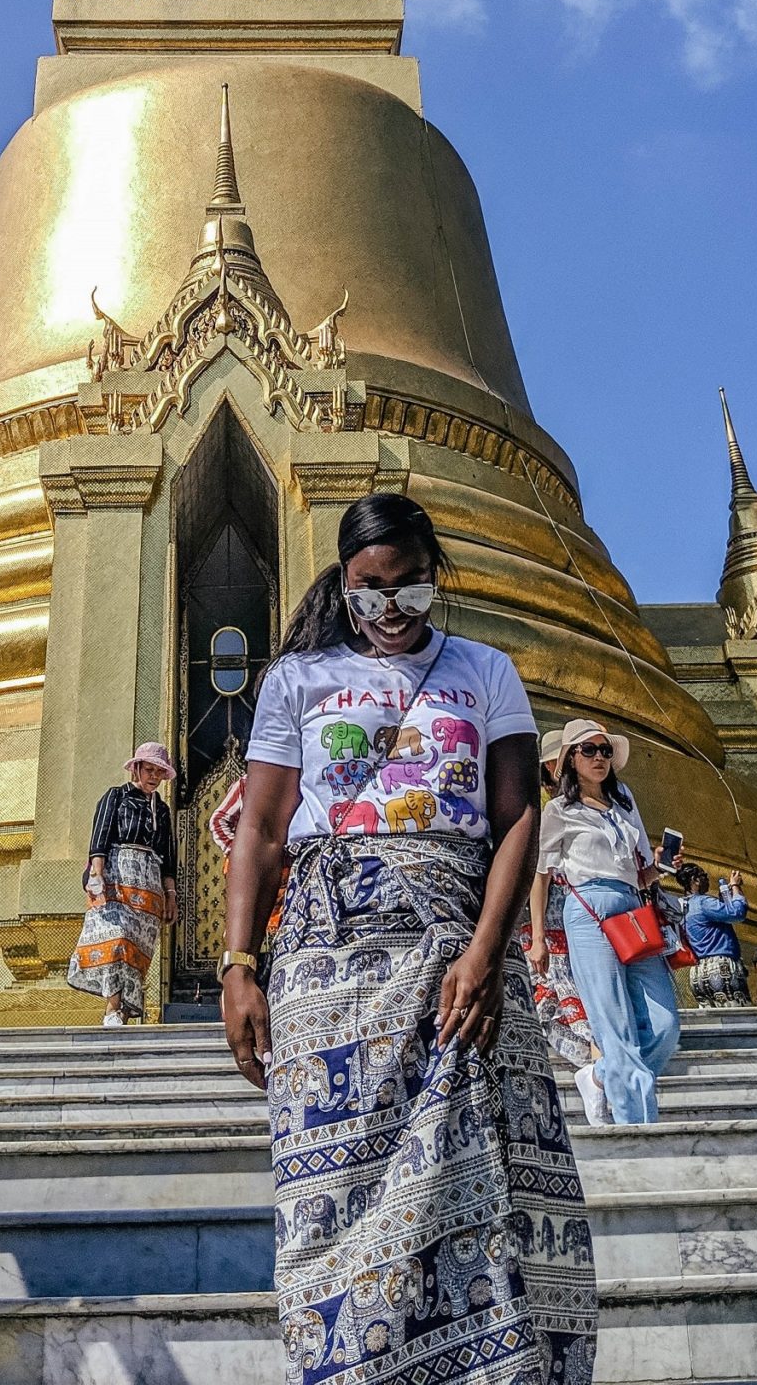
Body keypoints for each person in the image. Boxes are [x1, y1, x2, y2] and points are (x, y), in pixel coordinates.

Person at [223, 493, 596, 1385]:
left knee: (488, 1191)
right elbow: (264, 829)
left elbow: (516, 820)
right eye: (369, 590)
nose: (390, 609)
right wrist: (241, 966)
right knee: (332, 1203)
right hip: (332, 962)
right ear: (345, 585)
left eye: (409, 589)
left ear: (436, 578)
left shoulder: (485, 671)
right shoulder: (298, 680)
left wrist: (485, 950)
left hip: (458, 953)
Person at [534, 719, 681, 1126]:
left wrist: (660, 869)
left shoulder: (625, 800)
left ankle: (600, 1074)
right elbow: (541, 874)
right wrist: (539, 938)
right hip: (587, 911)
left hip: (631, 908)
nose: (599, 757)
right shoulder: (559, 811)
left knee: (665, 1026)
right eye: (589, 751)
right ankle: (639, 1127)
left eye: (605, 750)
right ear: (570, 760)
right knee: (614, 1026)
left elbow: (640, 871)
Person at [522, 728, 604, 1122]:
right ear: (554, 766)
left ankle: (595, 1067)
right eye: (581, 753)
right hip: (545, 917)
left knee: (559, 995)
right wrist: (536, 932)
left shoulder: (574, 806)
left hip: (572, 916)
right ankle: (593, 1065)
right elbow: (537, 870)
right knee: (556, 993)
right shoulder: (542, 807)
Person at [70, 741, 178, 1026]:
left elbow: (169, 857)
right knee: (116, 940)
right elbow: (100, 840)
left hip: (149, 882)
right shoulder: (116, 797)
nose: (153, 776)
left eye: (158, 771)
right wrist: (96, 875)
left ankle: (127, 1011)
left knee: (137, 948)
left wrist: (171, 894)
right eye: (149, 770)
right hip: (118, 876)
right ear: (137, 769)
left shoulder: (163, 811)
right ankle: (112, 1006)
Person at [675, 862, 750, 1006]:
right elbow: (737, 913)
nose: (707, 880)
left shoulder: (681, 907)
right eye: (704, 876)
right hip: (721, 967)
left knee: (711, 1022)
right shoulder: (703, 902)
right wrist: (735, 887)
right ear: (695, 880)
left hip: (697, 972)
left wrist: (723, 900)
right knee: (738, 1019)